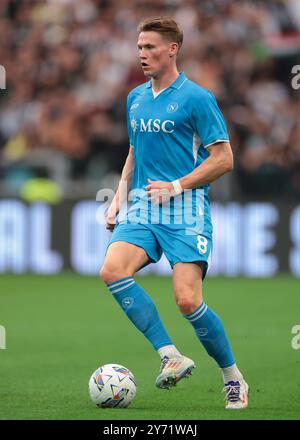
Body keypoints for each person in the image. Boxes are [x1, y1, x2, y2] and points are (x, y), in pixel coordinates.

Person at [100, 16, 249, 409]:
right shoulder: (135, 97)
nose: (142, 54)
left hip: (186, 208)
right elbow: (134, 151)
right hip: (145, 206)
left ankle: (232, 376)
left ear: (172, 49)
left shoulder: (198, 98)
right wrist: (119, 195)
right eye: (138, 47)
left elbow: (225, 159)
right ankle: (169, 354)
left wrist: (178, 185)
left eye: (149, 47)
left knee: (186, 300)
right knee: (112, 270)